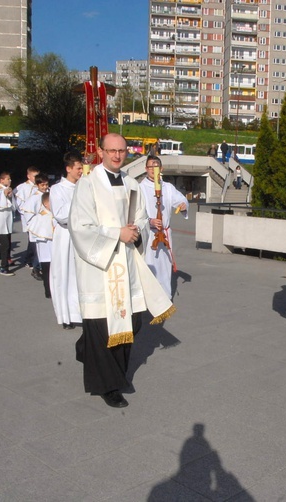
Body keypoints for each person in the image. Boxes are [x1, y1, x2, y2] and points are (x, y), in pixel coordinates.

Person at [69, 133, 175, 408]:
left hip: (126, 265)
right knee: (103, 326)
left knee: (133, 322)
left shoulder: (131, 183)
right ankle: (109, 385)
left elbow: (140, 217)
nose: (117, 155)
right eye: (111, 150)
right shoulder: (87, 185)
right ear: (101, 152)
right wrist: (118, 233)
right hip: (100, 267)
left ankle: (94, 355)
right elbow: (81, 227)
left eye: (122, 151)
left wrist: (136, 232)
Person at [139, 155, 188, 299]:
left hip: (165, 233)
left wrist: (183, 205)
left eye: (156, 167)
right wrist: (149, 221)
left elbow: (181, 199)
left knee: (165, 266)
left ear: (161, 169)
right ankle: (151, 300)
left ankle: (166, 298)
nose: (153, 170)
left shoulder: (168, 187)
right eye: (150, 167)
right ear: (145, 169)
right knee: (149, 266)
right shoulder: (140, 188)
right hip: (149, 234)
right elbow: (136, 212)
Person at [49, 152, 84, 330]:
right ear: (68, 168)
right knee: (64, 275)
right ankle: (65, 315)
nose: (81, 171)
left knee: (80, 276)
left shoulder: (84, 186)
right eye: (78, 168)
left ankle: (81, 312)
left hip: (82, 237)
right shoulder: (57, 189)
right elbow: (61, 216)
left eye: (82, 168)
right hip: (65, 237)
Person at [19, 174, 49, 280]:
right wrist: (36, 224)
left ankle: (43, 268)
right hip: (37, 228)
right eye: (42, 185)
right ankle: (36, 269)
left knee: (46, 249)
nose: (45, 187)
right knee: (38, 250)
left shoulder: (49, 195)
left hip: (48, 228)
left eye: (46, 184)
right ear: (37, 185)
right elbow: (28, 215)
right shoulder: (33, 198)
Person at [28, 192, 55, 299]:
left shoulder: (54, 215)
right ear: (46, 203)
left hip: (54, 249)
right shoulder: (40, 217)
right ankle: (48, 291)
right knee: (47, 271)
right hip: (45, 250)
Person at [14, 166, 40, 268]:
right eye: (34, 176)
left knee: (37, 238)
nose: (36, 178)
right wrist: (27, 212)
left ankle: (33, 259)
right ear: (28, 176)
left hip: (40, 216)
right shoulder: (23, 187)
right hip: (29, 216)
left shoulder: (39, 185)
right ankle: (29, 260)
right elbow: (19, 204)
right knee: (32, 239)